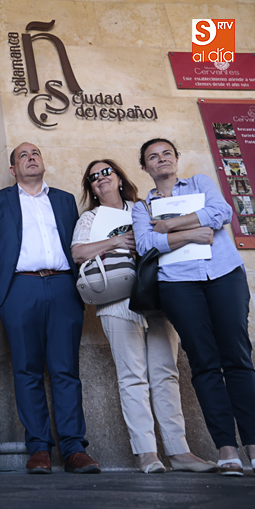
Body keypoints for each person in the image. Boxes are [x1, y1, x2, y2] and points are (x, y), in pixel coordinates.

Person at [71, 159, 216, 474]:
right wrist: (117, 241)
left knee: (166, 373)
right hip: (116, 300)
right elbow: (78, 253)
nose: (100, 179)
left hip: (158, 296)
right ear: (91, 188)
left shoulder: (145, 208)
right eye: (93, 177)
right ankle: (147, 453)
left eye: (106, 172)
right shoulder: (90, 217)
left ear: (120, 178)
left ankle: (180, 452)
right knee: (132, 377)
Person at [133, 138, 255, 476]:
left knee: (238, 357)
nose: (161, 160)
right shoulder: (142, 208)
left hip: (223, 274)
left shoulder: (200, 182)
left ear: (176, 158)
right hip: (178, 284)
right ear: (145, 168)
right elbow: (146, 243)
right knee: (203, 362)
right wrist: (193, 233)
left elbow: (221, 213)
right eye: (152, 157)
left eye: (167, 154)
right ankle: (227, 450)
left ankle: (254, 446)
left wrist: (171, 225)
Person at [0, 142, 100, 474]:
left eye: (35, 153)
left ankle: (74, 449)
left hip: (63, 287)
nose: (31, 158)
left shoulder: (63, 200)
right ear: (12, 169)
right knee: (27, 370)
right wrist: (7, 290)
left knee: (65, 370)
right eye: (23, 155)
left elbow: (77, 244)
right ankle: (39, 449)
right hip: (21, 289)